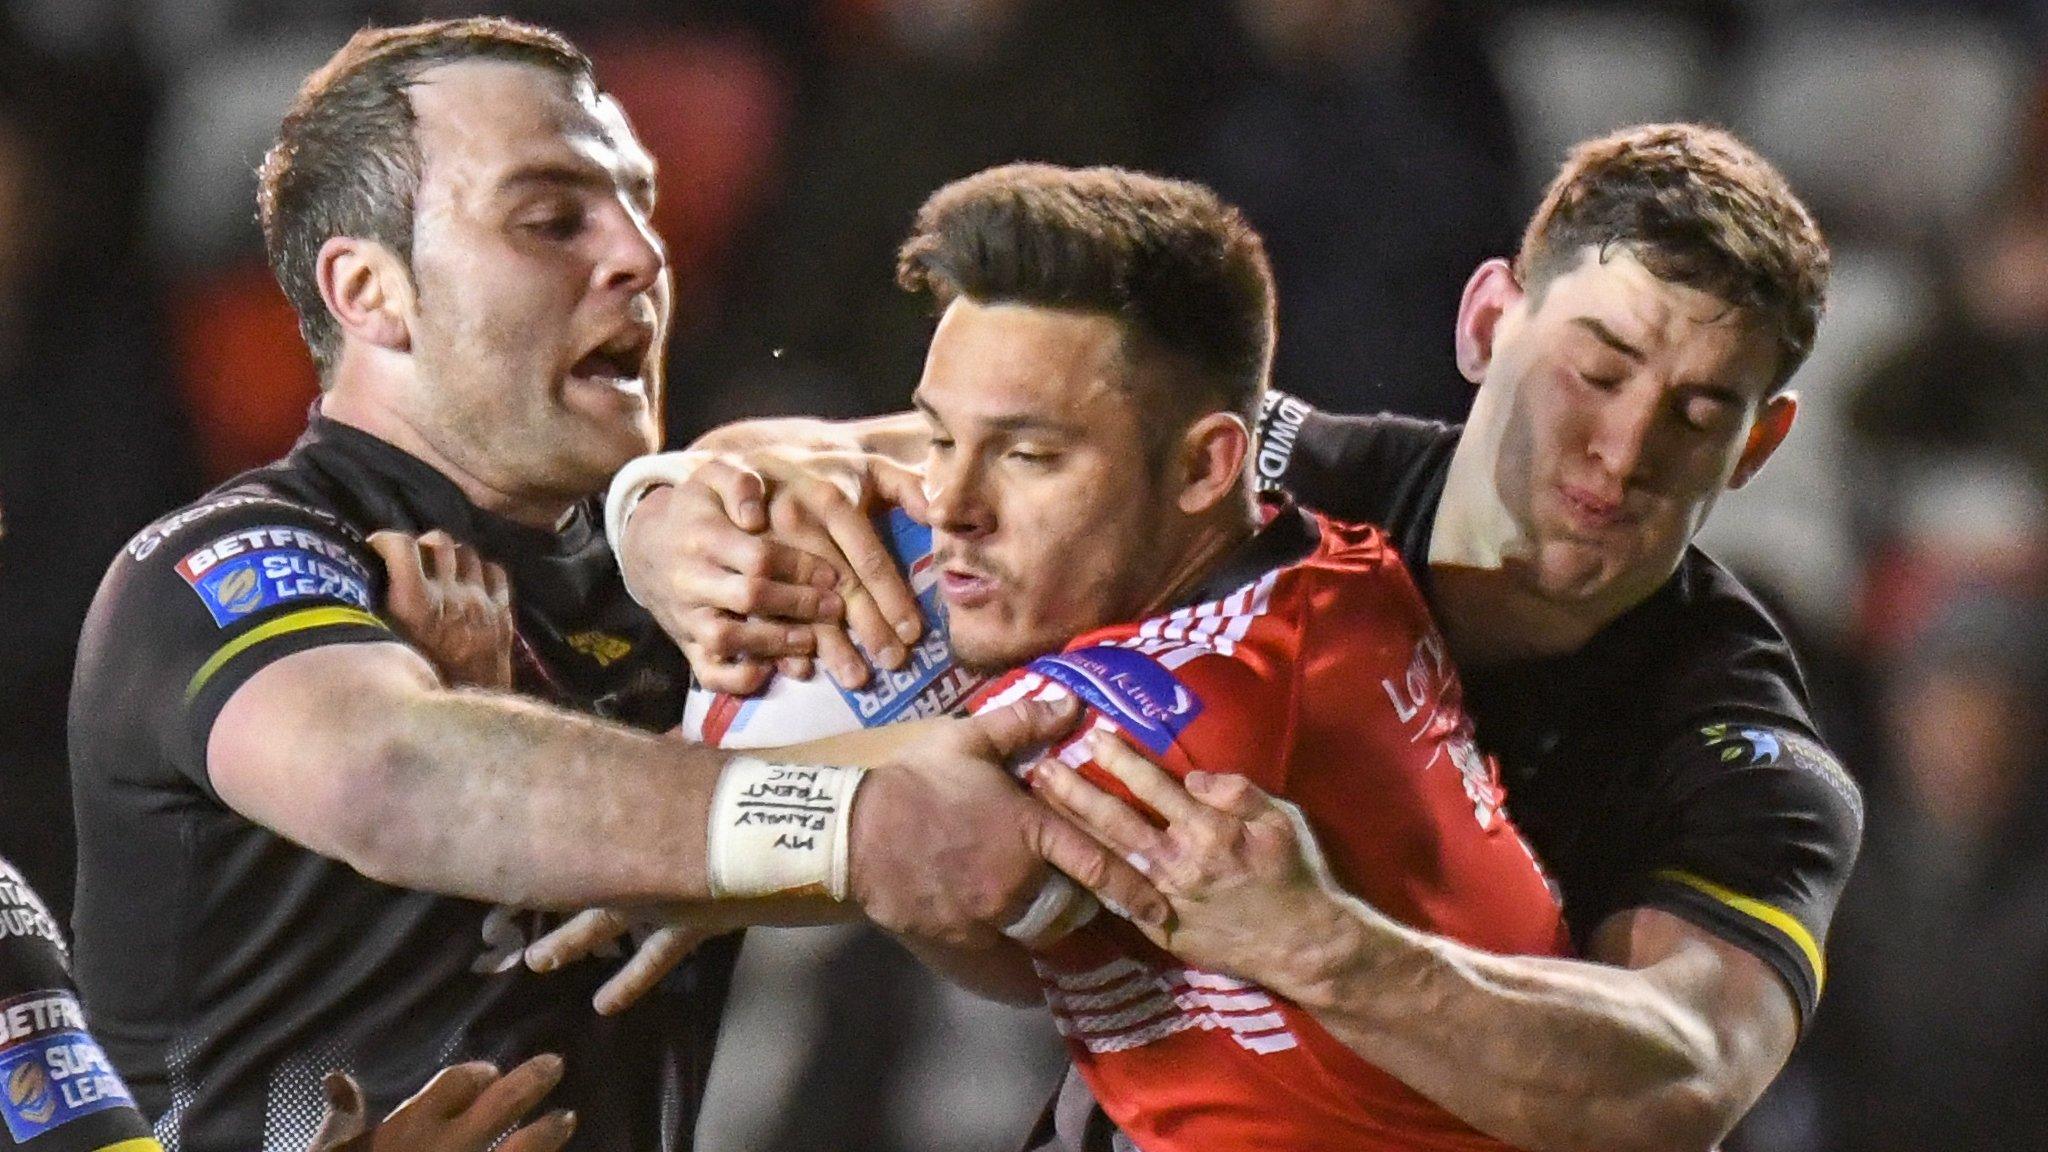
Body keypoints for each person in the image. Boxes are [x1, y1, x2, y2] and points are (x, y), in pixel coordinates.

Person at [611, 123, 1864, 1152]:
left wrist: (1317, 943)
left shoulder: (1743, 748)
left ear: (1757, 445)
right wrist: (663, 520)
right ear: (1487, 324)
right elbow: (854, 456)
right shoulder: (1271, 475)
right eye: (1596, 370)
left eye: (1697, 413)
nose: (1626, 448)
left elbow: (1677, 1085)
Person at [65, 18, 1154, 1152]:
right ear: (370, 290)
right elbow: (387, 770)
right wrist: (851, 817)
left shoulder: (695, 581)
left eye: (636, 202)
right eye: (549, 219)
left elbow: (995, 931)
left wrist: (705, 476)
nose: (639, 252)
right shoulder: (223, 565)